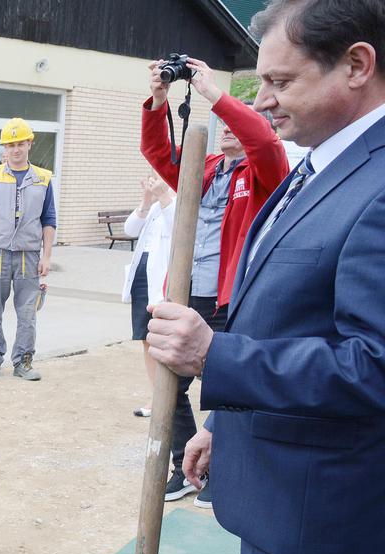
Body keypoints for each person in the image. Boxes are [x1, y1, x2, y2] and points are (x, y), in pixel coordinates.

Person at [145, 1, 385, 554]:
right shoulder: (328, 163)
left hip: (331, 498)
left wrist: (218, 356)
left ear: (356, 65)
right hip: (285, 469)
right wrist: (228, 422)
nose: (267, 98)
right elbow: (297, 316)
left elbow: (373, 364)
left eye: (281, 80)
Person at [142, 55, 289, 508]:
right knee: (168, 383)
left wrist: (213, 93)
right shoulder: (203, 170)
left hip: (231, 300)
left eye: (233, 122)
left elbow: (262, 139)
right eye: (220, 123)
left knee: (229, 385)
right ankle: (181, 467)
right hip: (189, 295)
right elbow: (158, 153)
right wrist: (159, 99)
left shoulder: (265, 173)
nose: (226, 128)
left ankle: (222, 470)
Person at [0, 117, 55, 381]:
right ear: (4, 148)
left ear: (29, 143)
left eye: (21, 143)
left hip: (29, 255)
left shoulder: (43, 179)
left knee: (27, 311)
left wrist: (47, 256)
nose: (16, 149)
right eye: (11, 144)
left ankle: (24, 361)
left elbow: (49, 220)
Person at [122, 174, 175, 418]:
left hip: (164, 278)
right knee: (146, 337)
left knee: (161, 339)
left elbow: (178, 228)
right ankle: (156, 395)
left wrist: (164, 196)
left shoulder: (177, 198)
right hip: (143, 274)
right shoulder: (154, 204)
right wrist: (145, 201)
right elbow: (130, 229)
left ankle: (165, 398)